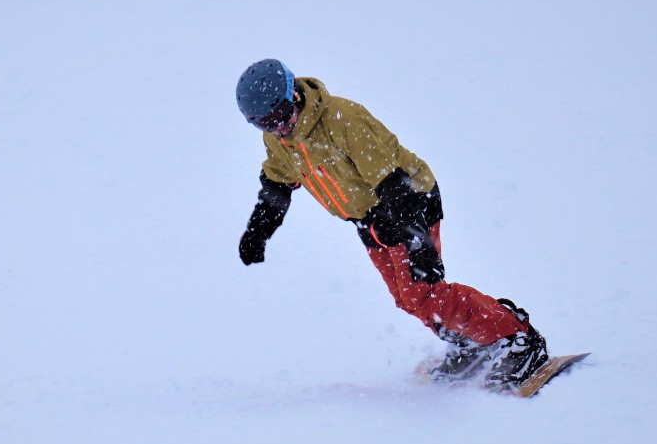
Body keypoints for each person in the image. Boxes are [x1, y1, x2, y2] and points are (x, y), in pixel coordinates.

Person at [235, 59, 550, 391]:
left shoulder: (344, 121)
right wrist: (258, 232)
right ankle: (469, 341)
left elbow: (396, 185)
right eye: (265, 124)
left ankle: (517, 337)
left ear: (295, 94)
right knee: (407, 298)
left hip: (408, 203)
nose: (280, 126)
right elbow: (277, 185)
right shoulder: (280, 140)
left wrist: (420, 247)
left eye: (283, 113)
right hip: (369, 221)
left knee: (424, 292)